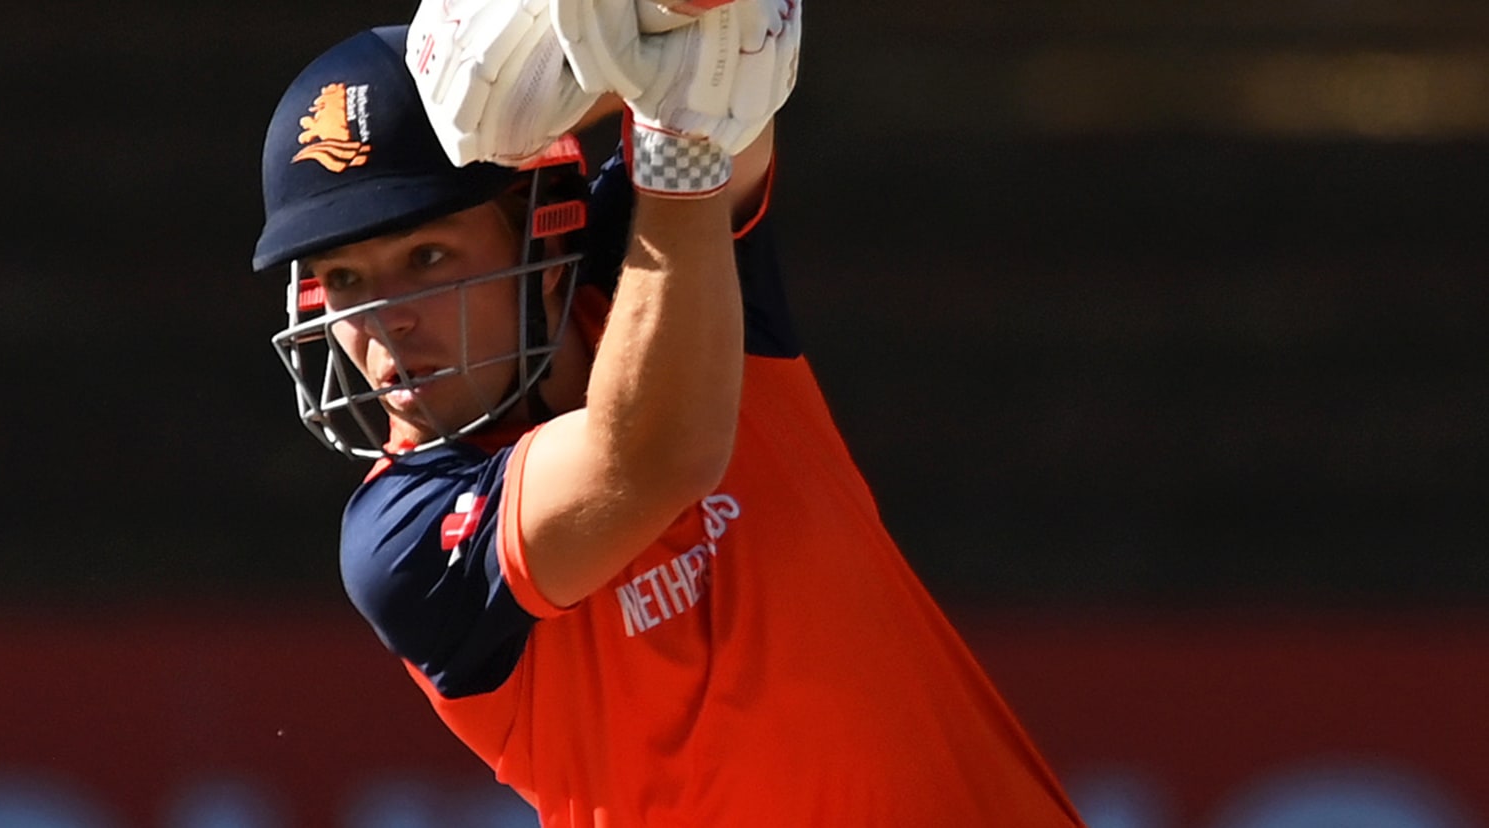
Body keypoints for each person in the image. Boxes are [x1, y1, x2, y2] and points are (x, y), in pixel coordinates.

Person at [250, 17, 1084, 827]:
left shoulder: (640, 248)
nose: (387, 319)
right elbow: (655, 455)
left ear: (543, 231)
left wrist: (657, 32)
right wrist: (678, 107)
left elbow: (738, 96)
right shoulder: (400, 532)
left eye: (427, 258)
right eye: (346, 278)